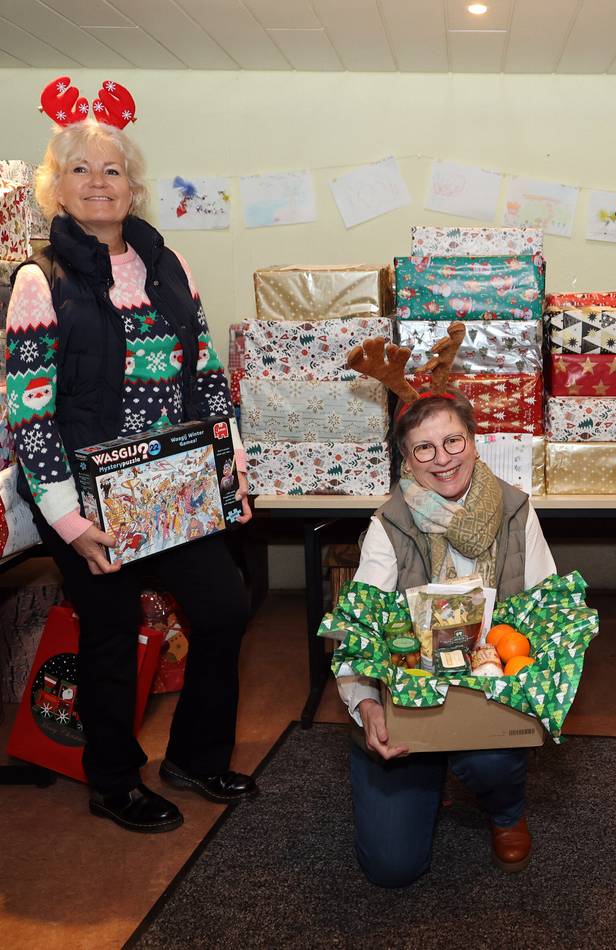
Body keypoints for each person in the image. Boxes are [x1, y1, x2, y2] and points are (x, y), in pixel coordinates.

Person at [6, 81, 256, 833]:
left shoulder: (169, 263)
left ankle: (194, 756)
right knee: (111, 634)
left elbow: (205, 372)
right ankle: (114, 779)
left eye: (111, 169)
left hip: (171, 485)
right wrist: (68, 520)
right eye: (79, 170)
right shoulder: (37, 280)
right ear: (57, 185)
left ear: (133, 185)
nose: (97, 183)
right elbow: (31, 412)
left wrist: (228, 467)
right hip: (81, 496)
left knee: (223, 608)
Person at [335, 374, 557, 887]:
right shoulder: (389, 522)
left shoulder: (516, 509)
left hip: (491, 683)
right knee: (392, 868)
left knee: (492, 760)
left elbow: (546, 611)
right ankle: (432, 775)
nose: (443, 458)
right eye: (424, 449)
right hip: (410, 696)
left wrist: (536, 676)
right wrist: (367, 705)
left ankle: (505, 810)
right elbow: (359, 627)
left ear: (475, 443)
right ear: (406, 461)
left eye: (453, 440)